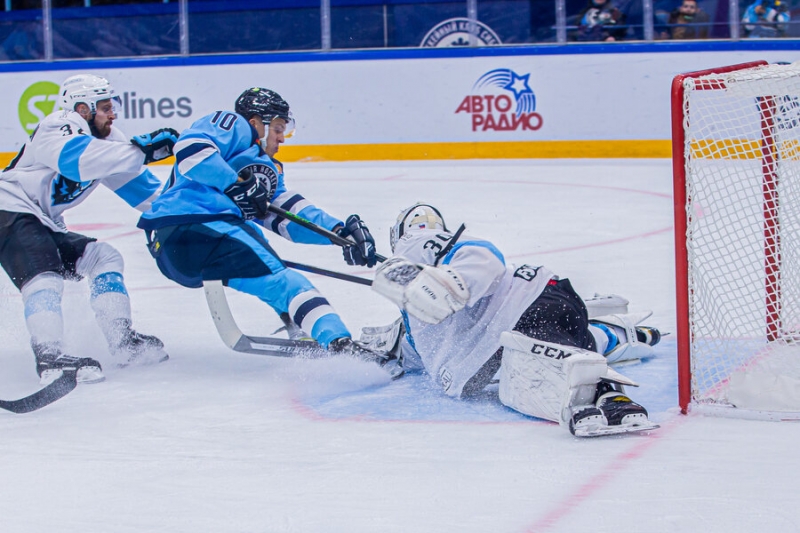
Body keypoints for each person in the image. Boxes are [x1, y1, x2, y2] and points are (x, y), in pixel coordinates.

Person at [136, 87, 398, 375]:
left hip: (176, 250)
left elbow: (287, 216)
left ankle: (299, 325)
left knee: (266, 257)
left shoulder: (267, 167)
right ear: (255, 122)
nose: (281, 137)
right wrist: (234, 180)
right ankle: (340, 345)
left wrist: (340, 234)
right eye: (276, 128)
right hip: (198, 226)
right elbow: (189, 151)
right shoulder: (234, 126)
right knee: (288, 283)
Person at [364, 204, 662, 436]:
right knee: (565, 342)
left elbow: (484, 255)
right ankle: (618, 333)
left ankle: (604, 391)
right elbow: (413, 349)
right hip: (546, 299)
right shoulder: (418, 306)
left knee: (544, 358)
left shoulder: (414, 243)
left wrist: (455, 283)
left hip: (528, 308)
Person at [0, 74, 177, 384]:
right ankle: (50, 356)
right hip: (8, 210)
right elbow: (77, 162)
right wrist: (143, 152)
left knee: (104, 257)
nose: (113, 114)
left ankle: (121, 341)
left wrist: (204, 211)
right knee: (45, 272)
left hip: (42, 221)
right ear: (82, 109)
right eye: (106, 107)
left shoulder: (111, 143)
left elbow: (151, 198)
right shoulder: (58, 124)